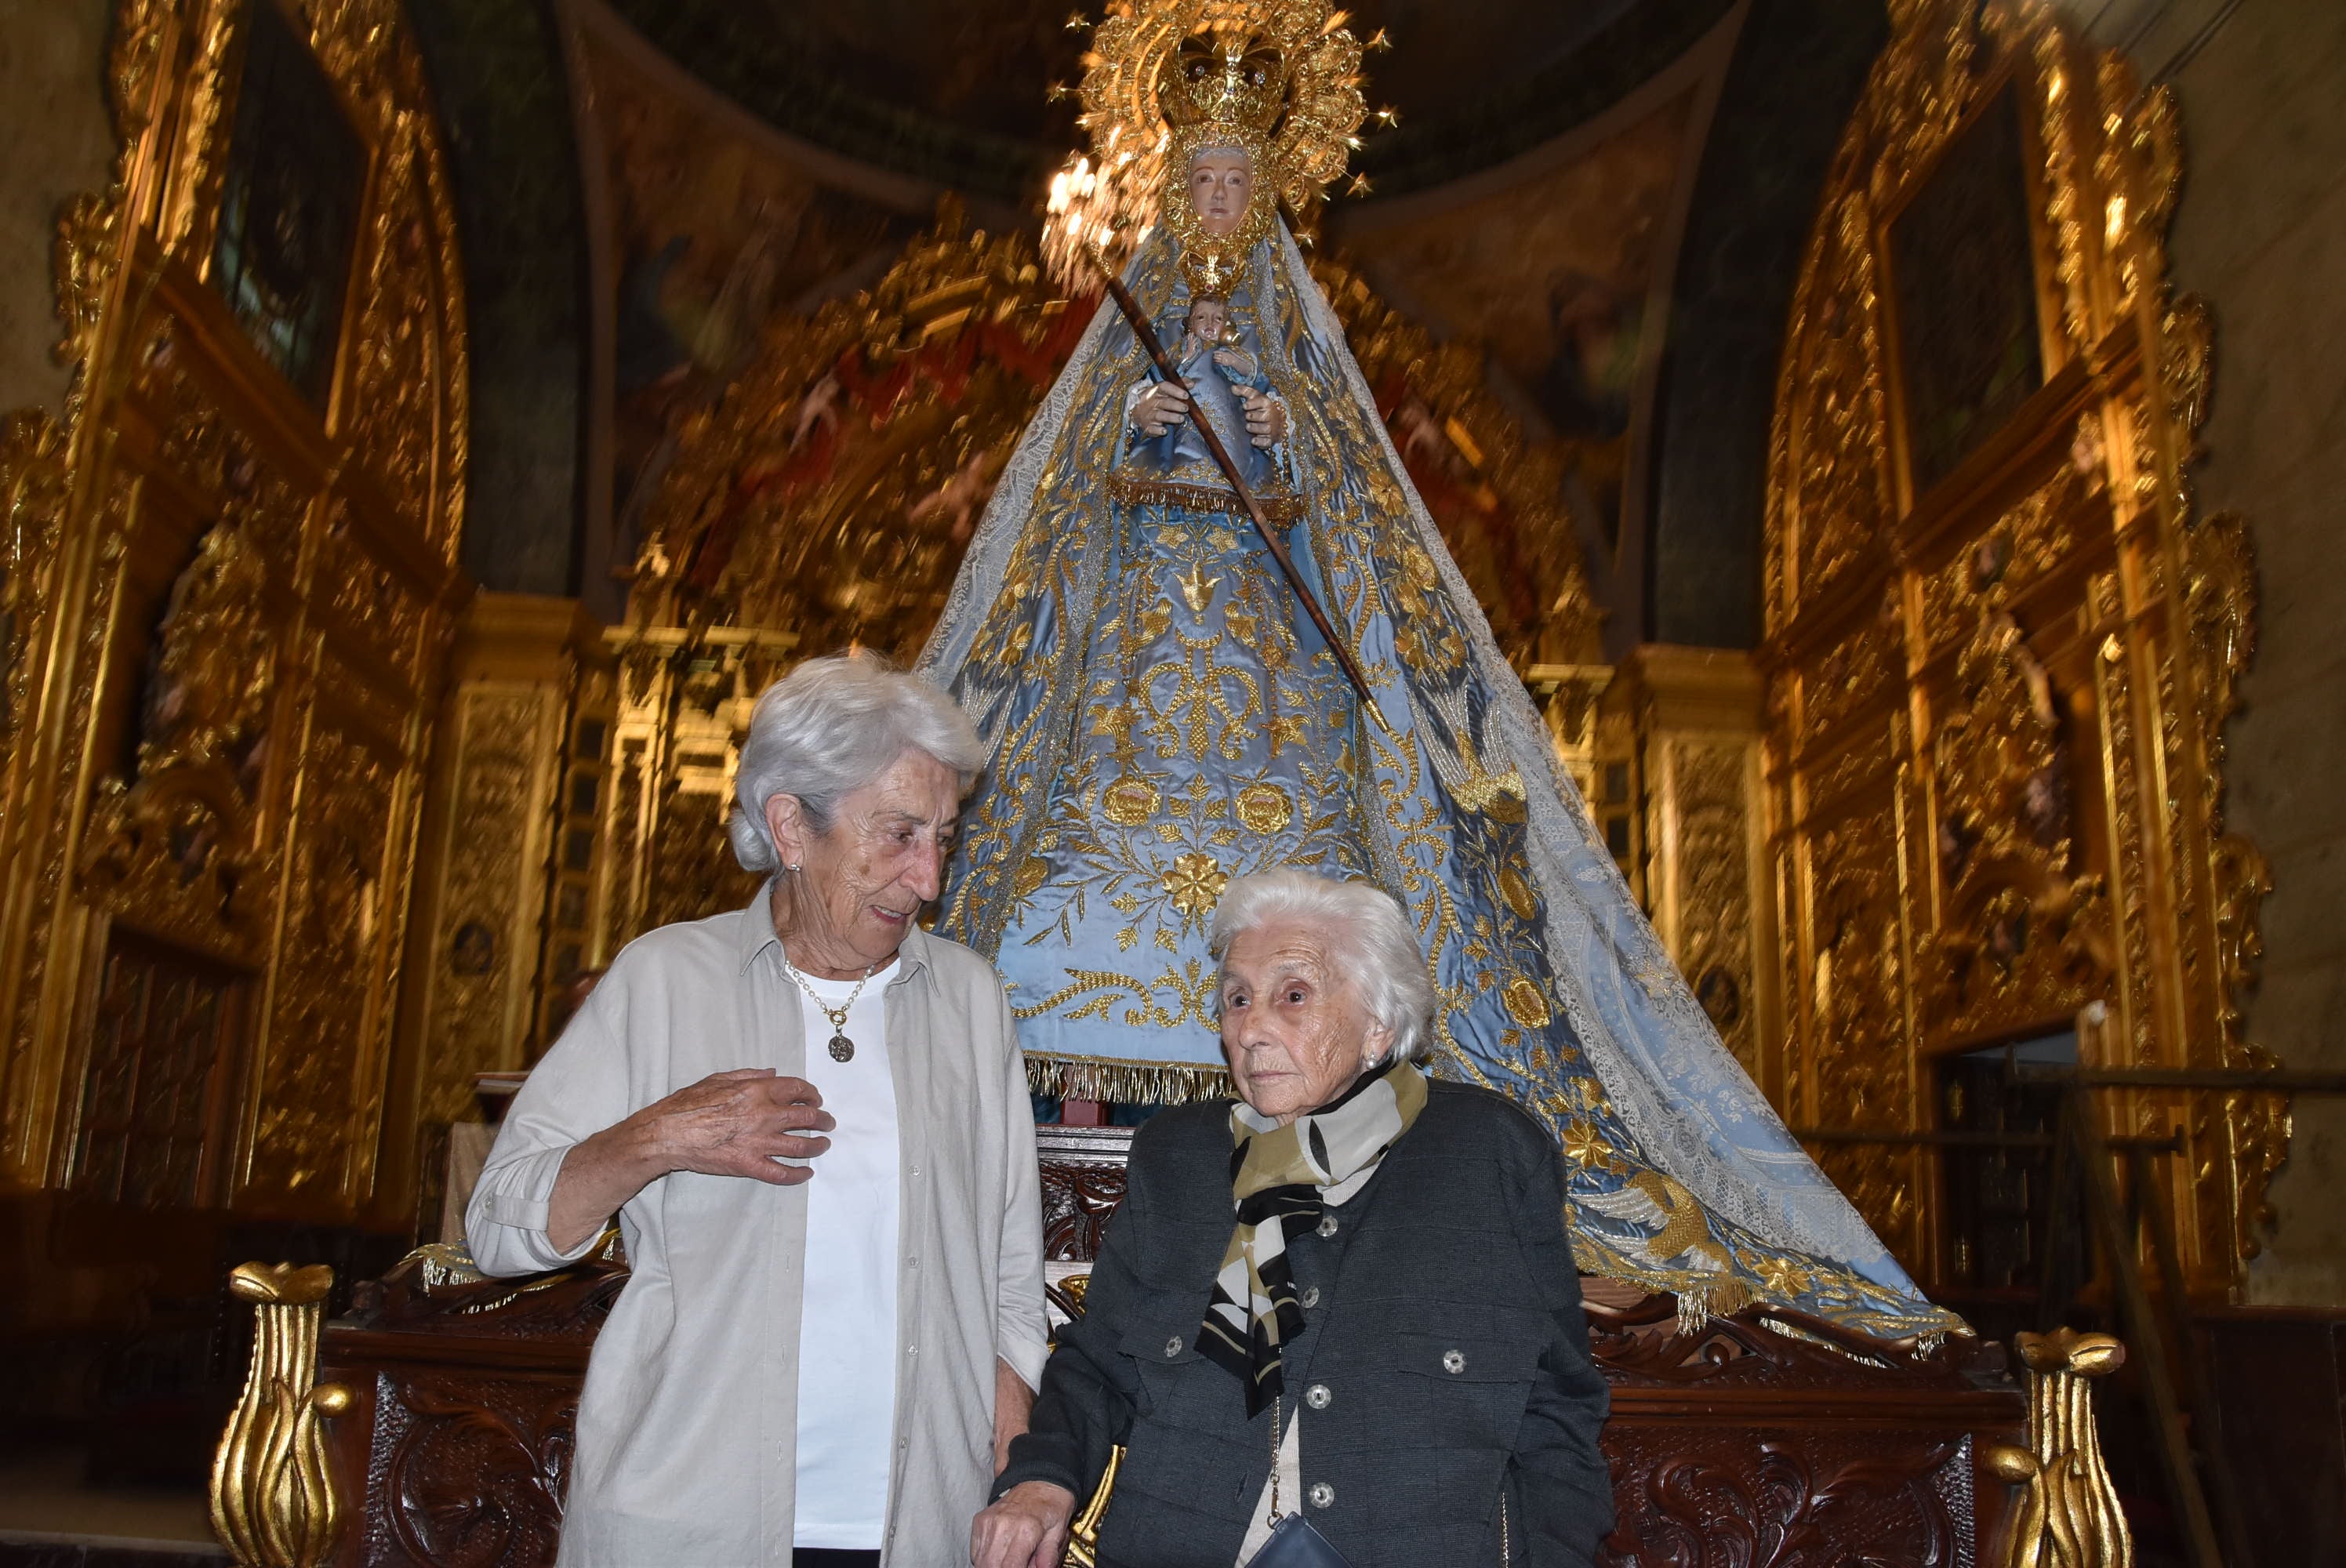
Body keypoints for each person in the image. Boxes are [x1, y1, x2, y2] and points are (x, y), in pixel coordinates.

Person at [923, 16, 1956, 1343]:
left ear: (1269, 199)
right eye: (1203, 184)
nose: (1222, 204)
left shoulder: (1302, 377)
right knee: (1052, 897)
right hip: (1126, 696)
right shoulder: (1124, 367)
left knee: (1329, 900)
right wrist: (1138, 432)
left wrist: (1281, 448)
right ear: (1173, 198)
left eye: (1242, 185)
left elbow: (1357, 553)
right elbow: (1049, 557)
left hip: (1274, 707)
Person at [467, 653, 1048, 1568]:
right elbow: (499, 1225)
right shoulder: (664, 978)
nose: (930, 878)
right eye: (898, 834)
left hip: (916, 1526)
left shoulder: (970, 1001)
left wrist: (1012, 1440)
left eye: (943, 835)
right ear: (790, 825)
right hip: (688, 1519)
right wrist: (662, 1134)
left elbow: (1011, 1266)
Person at [970, 870, 1614, 1567]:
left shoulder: (1489, 1153)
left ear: (1379, 1024)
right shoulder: (1180, 1159)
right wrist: (1042, 1479)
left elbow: (1558, 1409)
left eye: (1293, 995)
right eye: (1237, 999)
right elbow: (1099, 1366)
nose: (1250, 1028)